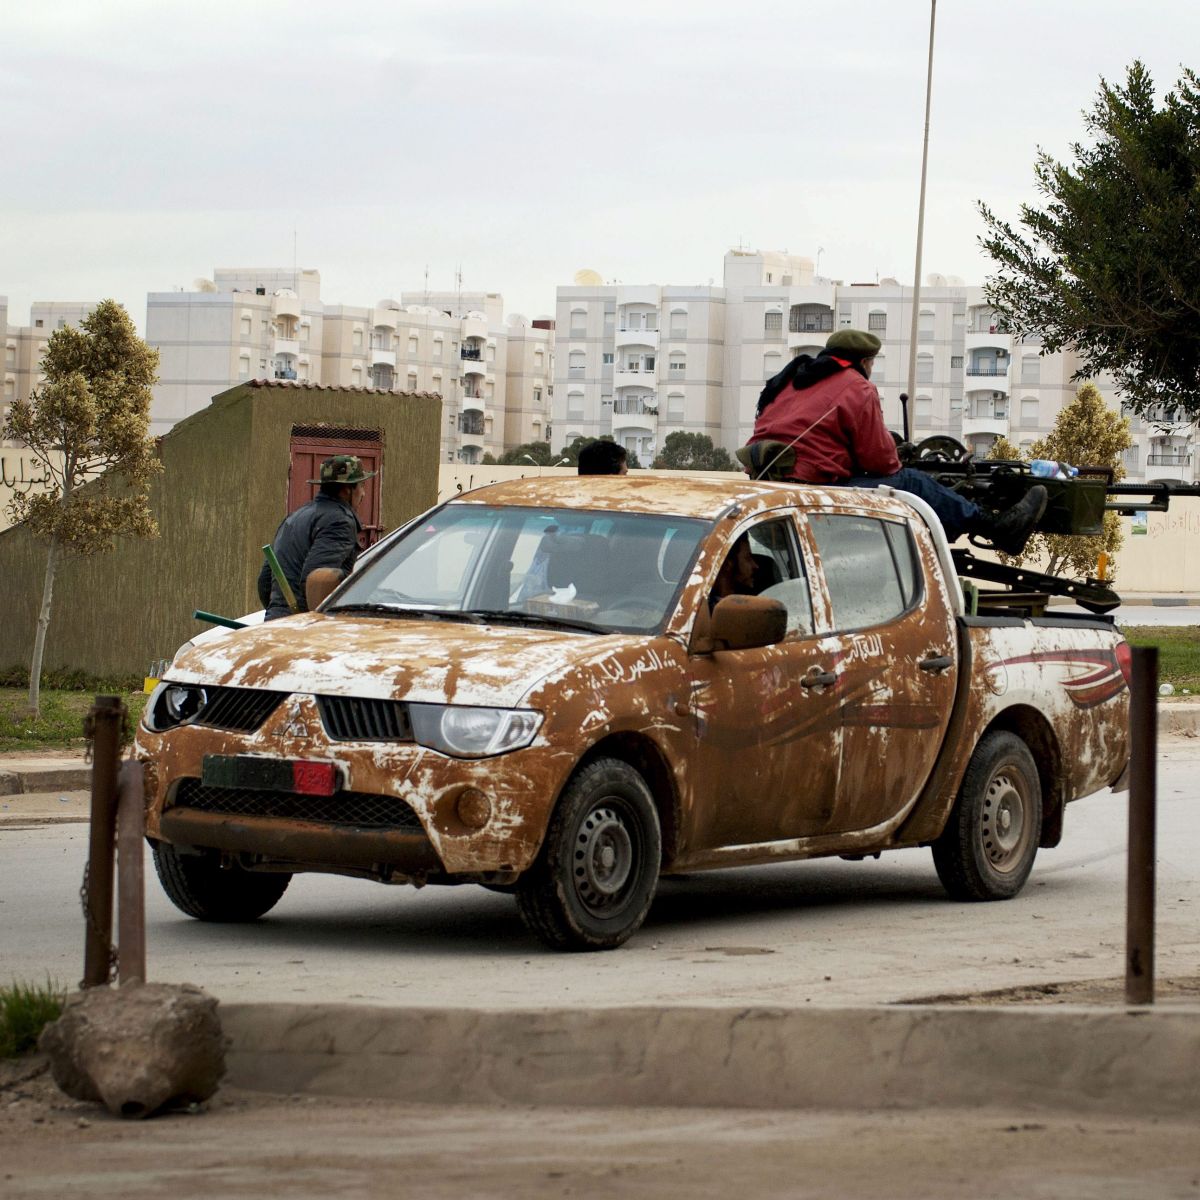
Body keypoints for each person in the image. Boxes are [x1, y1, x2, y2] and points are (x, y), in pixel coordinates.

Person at [746, 329, 1047, 554]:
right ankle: (996, 528)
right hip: (813, 494)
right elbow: (881, 461)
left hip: (768, 491)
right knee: (912, 483)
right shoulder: (857, 385)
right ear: (864, 361)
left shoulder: (788, 382)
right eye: (872, 364)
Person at [257, 455, 373, 620]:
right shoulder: (339, 522)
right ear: (347, 490)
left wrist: (277, 612)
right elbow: (317, 580)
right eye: (362, 486)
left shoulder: (295, 517)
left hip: (276, 623)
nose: (363, 494)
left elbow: (265, 582)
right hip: (304, 629)